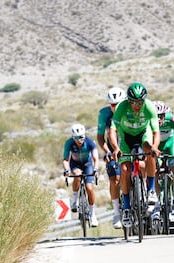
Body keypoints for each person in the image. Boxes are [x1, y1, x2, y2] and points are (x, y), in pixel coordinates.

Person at [109, 82, 161, 228]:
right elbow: (112, 130)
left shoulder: (149, 106)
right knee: (125, 170)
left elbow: (156, 131)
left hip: (144, 134)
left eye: (140, 102)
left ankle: (151, 189)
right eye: (134, 102)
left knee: (149, 152)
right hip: (126, 137)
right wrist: (115, 148)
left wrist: (155, 147)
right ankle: (126, 207)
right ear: (129, 101)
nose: (137, 105)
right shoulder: (122, 107)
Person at [151, 100, 174, 220]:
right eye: (156, 117)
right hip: (155, 146)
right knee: (154, 172)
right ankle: (156, 202)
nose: (159, 120)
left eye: (161, 116)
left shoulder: (171, 119)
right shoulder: (148, 122)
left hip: (170, 144)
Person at [97, 87, 126, 229]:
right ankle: (116, 213)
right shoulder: (104, 114)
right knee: (115, 178)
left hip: (128, 146)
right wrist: (108, 151)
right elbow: (100, 137)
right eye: (112, 105)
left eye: (118, 104)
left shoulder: (130, 110)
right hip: (112, 149)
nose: (115, 107)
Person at [63, 123, 100, 227]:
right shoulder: (69, 143)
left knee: (89, 188)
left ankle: (93, 215)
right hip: (75, 164)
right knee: (77, 175)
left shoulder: (90, 142)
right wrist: (66, 170)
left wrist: (96, 169)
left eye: (81, 137)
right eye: (76, 138)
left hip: (87, 164)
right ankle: (74, 201)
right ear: (72, 137)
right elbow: (65, 160)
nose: (79, 140)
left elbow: (96, 158)